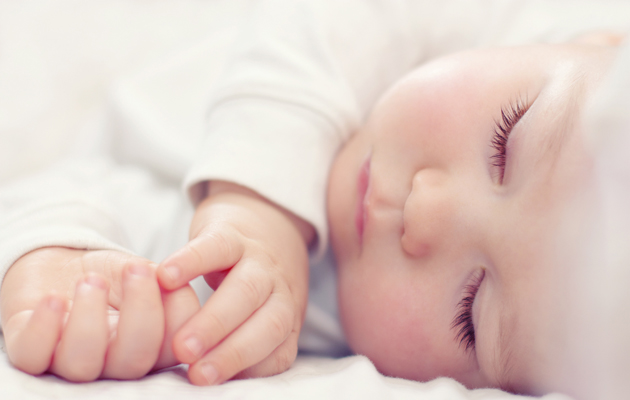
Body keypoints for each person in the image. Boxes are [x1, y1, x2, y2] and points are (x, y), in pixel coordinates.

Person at [0, 0, 628, 398]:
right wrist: (255, 206)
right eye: (504, 141)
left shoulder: (314, 324)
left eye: (471, 311)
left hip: (104, 159)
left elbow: (117, 216)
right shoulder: (516, 24)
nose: (422, 212)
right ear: (602, 41)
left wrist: (66, 272)